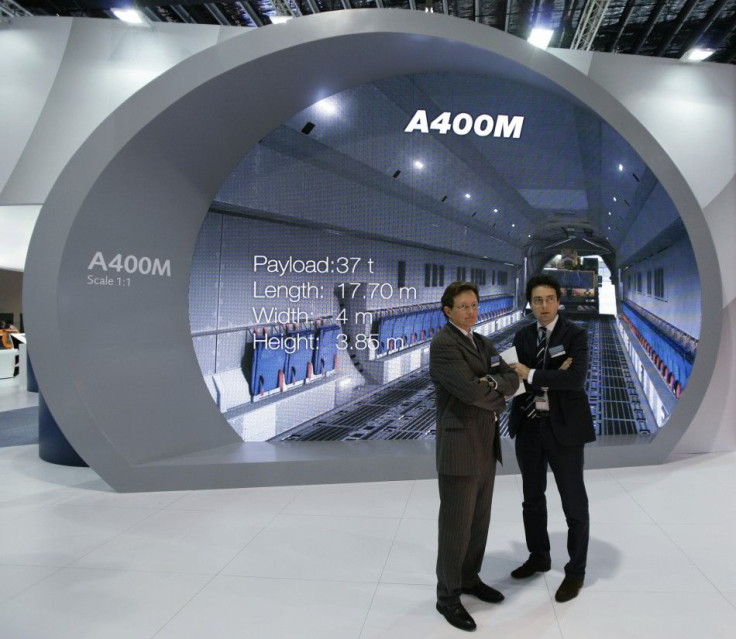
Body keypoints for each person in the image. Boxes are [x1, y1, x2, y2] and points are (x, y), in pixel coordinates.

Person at [430, 281, 519, 631]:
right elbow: (468, 391)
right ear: (447, 310)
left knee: (478, 521)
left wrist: (493, 383)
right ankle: (448, 597)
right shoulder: (443, 345)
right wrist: (497, 389)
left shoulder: (480, 342)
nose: (471, 311)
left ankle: (469, 578)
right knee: (456, 525)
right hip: (459, 445)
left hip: (485, 443)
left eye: (474, 305)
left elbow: (510, 376)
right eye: (464, 306)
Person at [508, 274, 596, 603]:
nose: (543, 306)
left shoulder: (576, 335)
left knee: (573, 502)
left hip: (565, 431)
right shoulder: (522, 335)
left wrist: (529, 373)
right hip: (529, 427)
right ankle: (539, 556)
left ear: (559, 300)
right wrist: (548, 377)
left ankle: (575, 571)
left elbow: (574, 380)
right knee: (532, 499)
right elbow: (510, 378)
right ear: (530, 303)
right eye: (537, 300)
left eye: (549, 299)